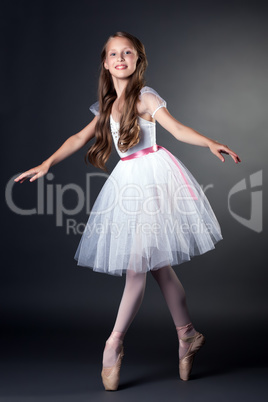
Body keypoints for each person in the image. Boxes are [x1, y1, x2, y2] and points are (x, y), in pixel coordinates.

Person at [14, 31, 241, 391]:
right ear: (105, 63)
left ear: (138, 60)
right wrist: (47, 162)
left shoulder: (146, 97)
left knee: (137, 267)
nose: (121, 58)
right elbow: (78, 138)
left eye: (128, 53)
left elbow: (177, 130)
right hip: (128, 185)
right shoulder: (107, 106)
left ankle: (113, 343)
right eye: (114, 54)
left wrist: (211, 142)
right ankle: (188, 335)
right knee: (159, 268)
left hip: (152, 181)